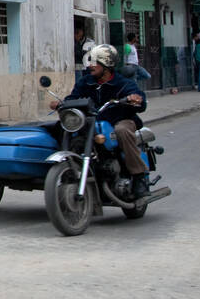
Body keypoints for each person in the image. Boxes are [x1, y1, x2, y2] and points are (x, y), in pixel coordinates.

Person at [49, 44, 150, 200]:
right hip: (91, 122)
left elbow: (139, 100)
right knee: (62, 128)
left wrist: (135, 99)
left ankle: (138, 177)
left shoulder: (123, 83)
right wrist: (62, 104)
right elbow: (73, 98)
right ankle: (70, 168)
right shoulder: (86, 82)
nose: (90, 65)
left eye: (95, 62)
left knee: (122, 131)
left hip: (120, 119)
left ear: (107, 64)